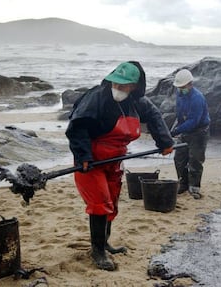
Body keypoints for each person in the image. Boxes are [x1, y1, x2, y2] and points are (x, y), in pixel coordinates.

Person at [65, 61, 174, 271]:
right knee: (99, 203)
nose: (119, 89)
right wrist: (83, 156)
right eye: (116, 84)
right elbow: (77, 127)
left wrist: (165, 142)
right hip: (92, 159)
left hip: (114, 160)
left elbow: (154, 116)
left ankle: (105, 242)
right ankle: (97, 251)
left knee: (112, 201)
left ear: (134, 86)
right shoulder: (96, 97)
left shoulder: (138, 102)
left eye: (125, 86)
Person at [170, 69, 210, 199]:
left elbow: (193, 121)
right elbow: (180, 115)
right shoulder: (180, 95)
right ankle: (183, 184)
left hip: (199, 133)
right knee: (179, 159)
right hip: (185, 131)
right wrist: (173, 129)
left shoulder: (197, 98)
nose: (181, 89)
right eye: (179, 87)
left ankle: (194, 188)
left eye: (183, 87)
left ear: (190, 84)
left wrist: (176, 131)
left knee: (195, 160)